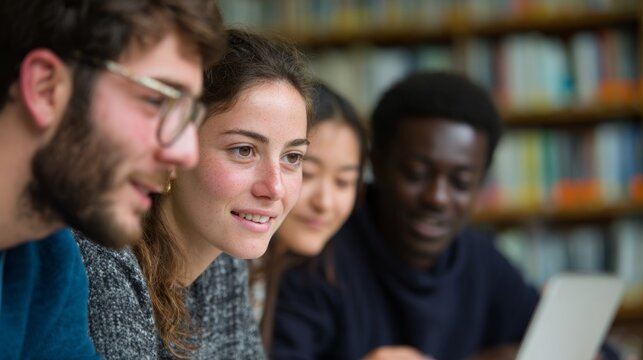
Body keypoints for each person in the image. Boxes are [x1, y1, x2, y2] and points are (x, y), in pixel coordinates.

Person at [0, 1, 224, 358]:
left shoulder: (48, 254)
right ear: (46, 89)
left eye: (186, 115)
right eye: (156, 100)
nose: (186, 154)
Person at [77, 28, 312, 359]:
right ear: (173, 149)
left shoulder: (222, 256)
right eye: (244, 150)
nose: (274, 187)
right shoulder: (102, 255)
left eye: (292, 157)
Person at [270, 71, 538, 360]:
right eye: (416, 174)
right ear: (377, 167)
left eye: (460, 182)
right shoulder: (316, 252)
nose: (437, 198)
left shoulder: (482, 259)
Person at [248, 81, 368, 352]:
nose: (324, 203)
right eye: (308, 173)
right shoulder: (225, 264)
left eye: (343, 182)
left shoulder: (311, 270)